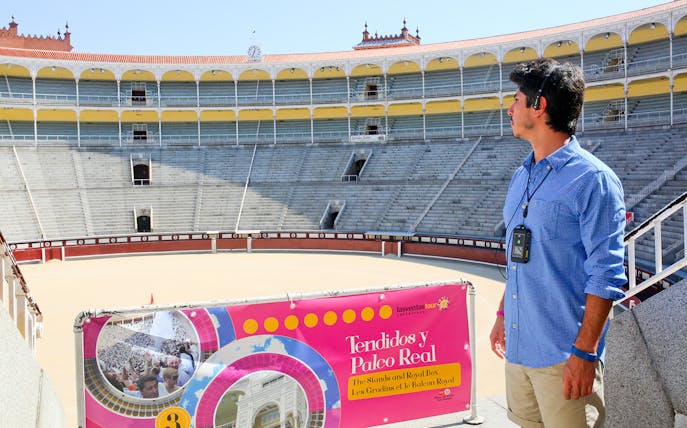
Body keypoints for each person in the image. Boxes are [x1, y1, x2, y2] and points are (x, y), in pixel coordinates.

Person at [489, 57, 627, 427]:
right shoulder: (522, 176)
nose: (510, 108)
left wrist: (584, 353)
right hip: (519, 349)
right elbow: (519, 259)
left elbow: (607, 275)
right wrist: (504, 314)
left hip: (564, 356)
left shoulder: (593, 180)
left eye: (517, 99)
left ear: (539, 106)